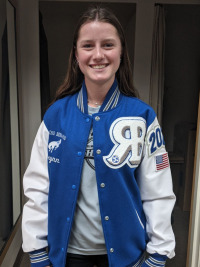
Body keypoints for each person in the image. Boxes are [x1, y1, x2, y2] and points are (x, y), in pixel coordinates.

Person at [22, 5, 176, 267]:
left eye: (107, 44)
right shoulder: (55, 116)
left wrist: (158, 254)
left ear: (121, 51)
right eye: (88, 46)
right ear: (76, 54)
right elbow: (38, 188)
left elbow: (158, 191)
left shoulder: (143, 117)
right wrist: (37, 250)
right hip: (67, 255)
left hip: (126, 257)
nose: (98, 55)